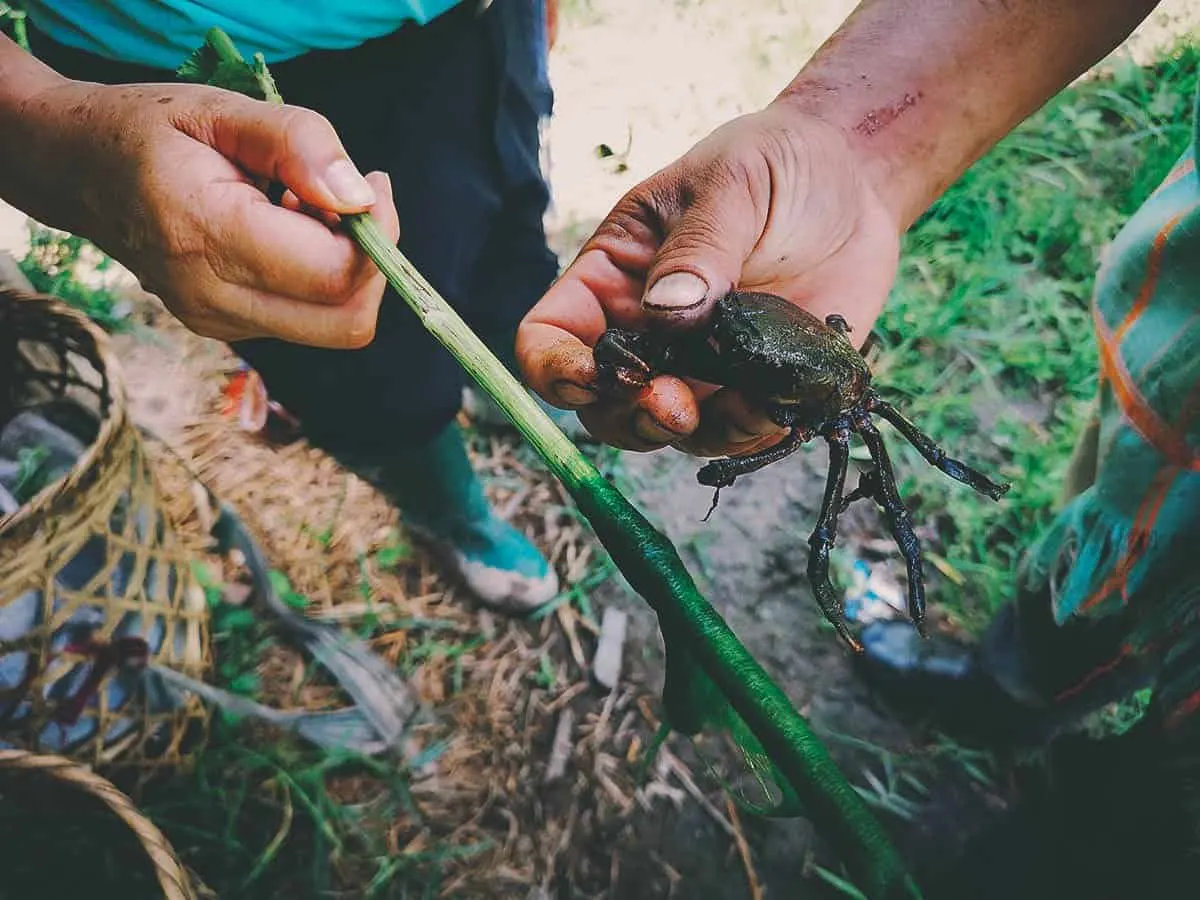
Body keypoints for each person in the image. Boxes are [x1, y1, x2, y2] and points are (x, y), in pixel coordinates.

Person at [514, 0, 1198, 894]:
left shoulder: (845, 404)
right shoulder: (740, 325)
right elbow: (663, 346)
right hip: (1170, 400)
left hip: (837, 391)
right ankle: (1010, 685)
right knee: (1103, 558)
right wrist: (845, 150)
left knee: (1135, 832)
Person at [0, 0, 576, 615]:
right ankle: (451, 512)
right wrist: (49, 138)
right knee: (363, 359)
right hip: (199, 63)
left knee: (509, 223)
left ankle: (518, 383)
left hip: (477, 24)